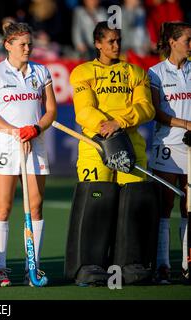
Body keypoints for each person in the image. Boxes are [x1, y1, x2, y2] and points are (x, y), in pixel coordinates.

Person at [68, 21, 156, 285]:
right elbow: (84, 110)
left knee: (134, 204)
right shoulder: (82, 72)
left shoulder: (136, 72)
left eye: (118, 40)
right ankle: (89, 267)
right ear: (97, 44)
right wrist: (106, 128)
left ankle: (130, 266)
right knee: (97, 201)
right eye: (110, 41)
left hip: (131, 145)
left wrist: (119, 123)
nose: (116, 46)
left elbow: (146, 108)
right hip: (97, 146)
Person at [0, 21, 57, 287]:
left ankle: (31, 266)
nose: (28, 48)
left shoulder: (41, 71)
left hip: (34, 143)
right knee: (3, 206)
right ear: (8, 45)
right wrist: (17, 132)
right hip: (7, 144)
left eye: (30, 43)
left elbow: (50, 112)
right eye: (22, 44)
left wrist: (34, 130)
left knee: (35, 206)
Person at [147, 22, 191, 284]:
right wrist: (186, 125)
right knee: (164, 206)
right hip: (168, 145)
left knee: (189, 207)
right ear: (172, 42)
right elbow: (156, 113)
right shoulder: (155, 72)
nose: (190, 44)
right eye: (187, 40)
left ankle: (187, 263)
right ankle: (162, 266)